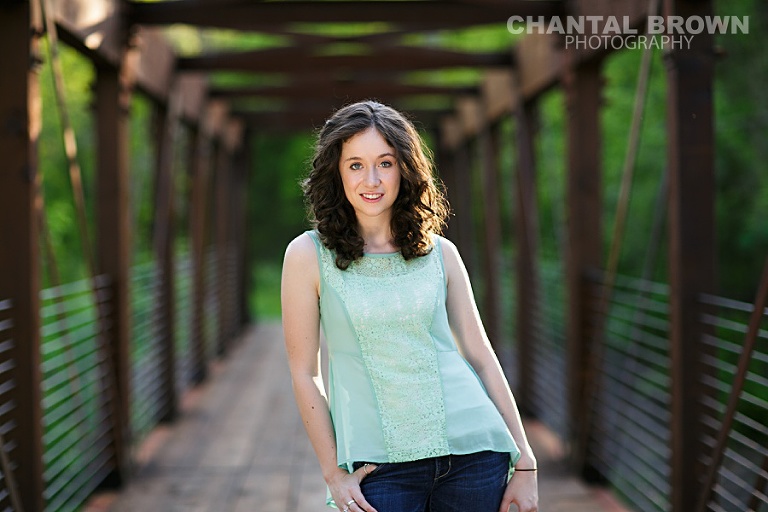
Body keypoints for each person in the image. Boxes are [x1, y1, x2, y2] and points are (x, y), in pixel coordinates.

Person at [281, 100, 538, 512]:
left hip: (475, 454)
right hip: (378, 469)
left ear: (404, 168)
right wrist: (333, 472)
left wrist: (525, 461)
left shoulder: (441, 252)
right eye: (355, 165)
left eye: (385, 163)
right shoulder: (308, 254)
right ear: (337, 172)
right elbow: (304, 373)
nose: (371, 180)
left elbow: (482, 357)